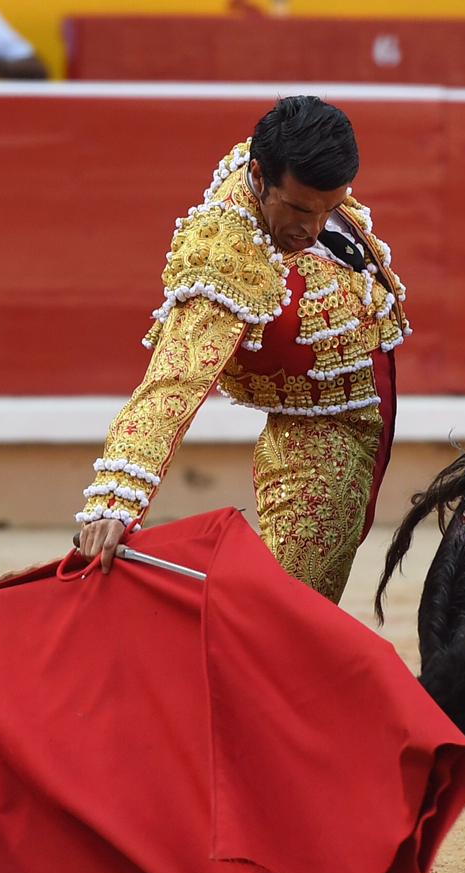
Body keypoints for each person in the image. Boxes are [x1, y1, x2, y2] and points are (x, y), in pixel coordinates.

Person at [75, 95, 410, 604]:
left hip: (360, 423)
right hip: (317, 440)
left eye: (329, 209)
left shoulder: (293, 165)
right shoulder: (227, 252)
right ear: (259, 176)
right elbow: (174, 379)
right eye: (298, 209)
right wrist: (116, 501)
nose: (312, 229)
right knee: (289, 615)